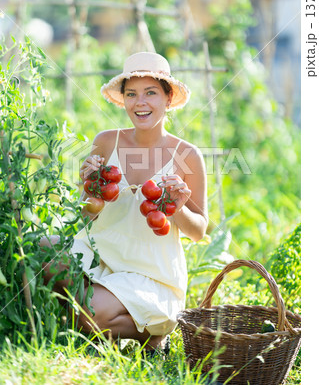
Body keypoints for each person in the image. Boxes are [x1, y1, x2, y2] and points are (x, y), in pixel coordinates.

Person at [42, 52, 208, 353]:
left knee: (89, 311)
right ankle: (99, 317)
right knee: (43, 249)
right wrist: (93, 194)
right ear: (123, 99)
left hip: (150, 272)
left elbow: (198, 231)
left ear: (168, 98)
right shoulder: (107, 142)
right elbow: (86, 215)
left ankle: (152, 333)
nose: (139, 102)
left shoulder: (187, 155)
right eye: (131, 94)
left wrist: (178, 207)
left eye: (151, 93)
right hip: (100, 255)